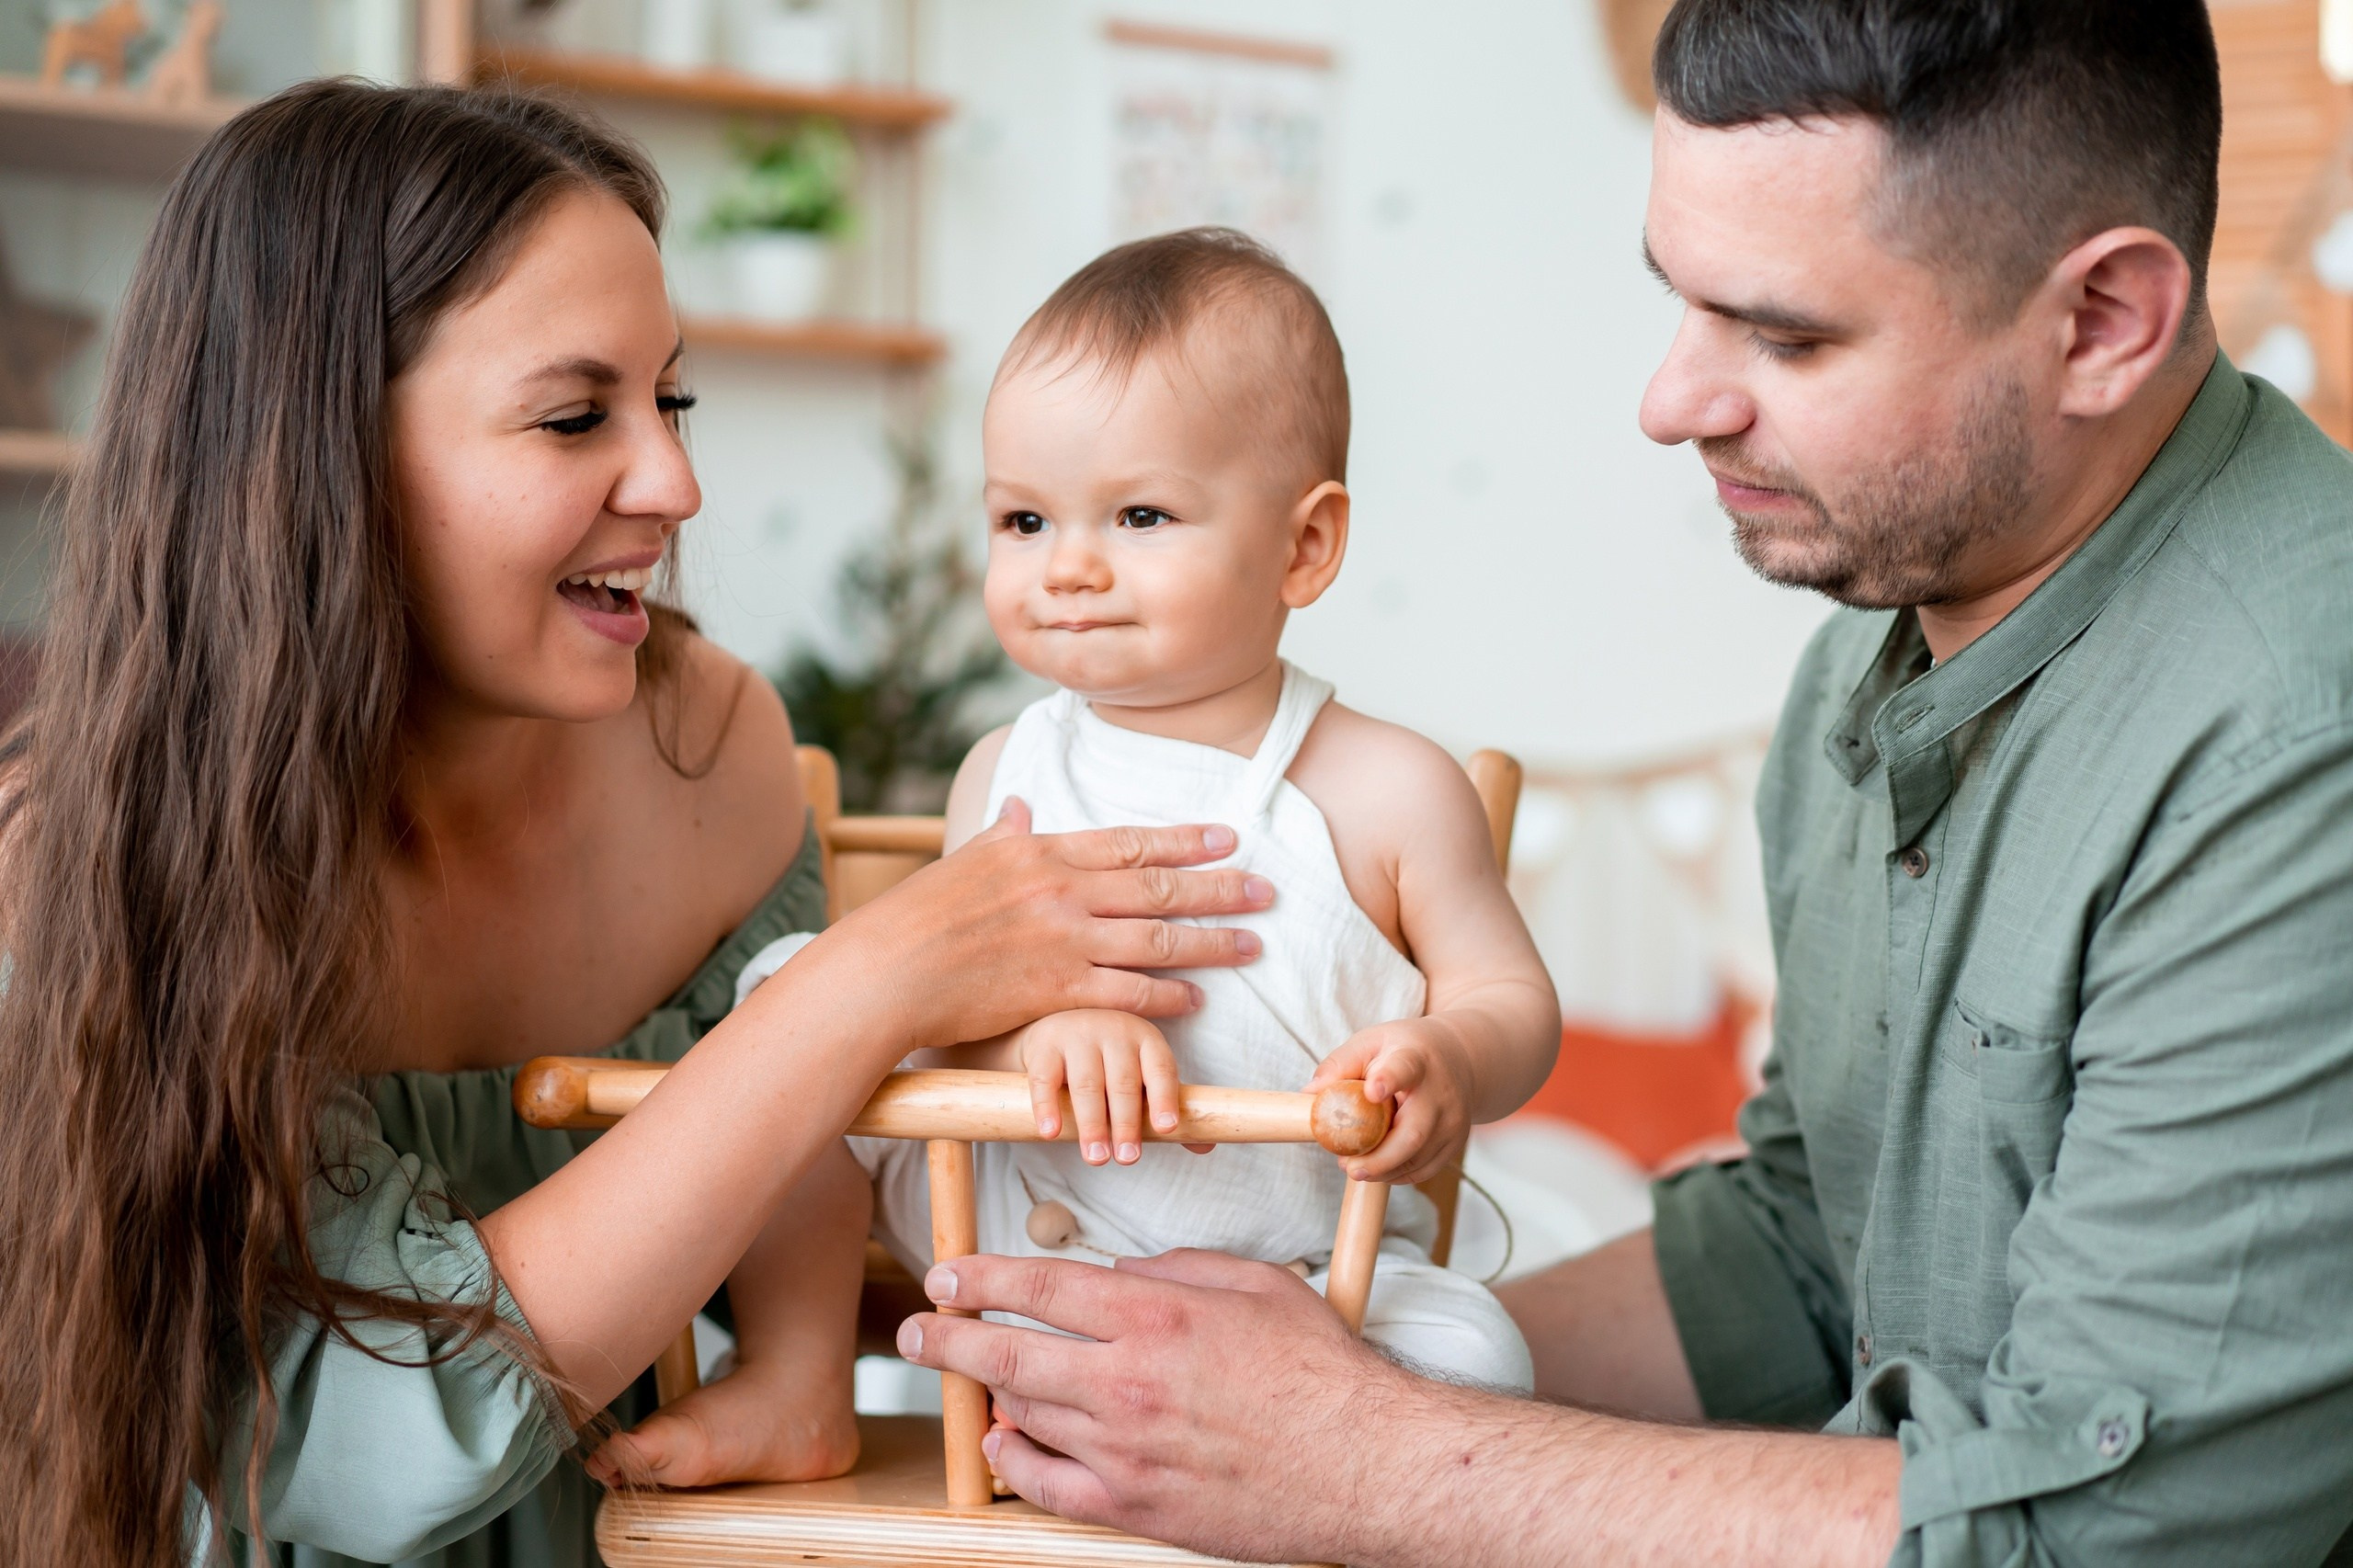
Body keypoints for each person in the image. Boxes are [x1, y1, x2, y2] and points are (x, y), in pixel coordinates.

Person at [890, 3, 2353, 1564]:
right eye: (1683, 306)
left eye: (1786, 334)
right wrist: (1280, 1351)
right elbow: (1808, 1249)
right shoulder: (1879, 667)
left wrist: (1364, 1450)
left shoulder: (2290, 741)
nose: (1672, 401)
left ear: (2104, 321)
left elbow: (2126, 1532)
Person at [0, 82, 1274, 1568]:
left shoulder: (708, 746)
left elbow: (790, 1241)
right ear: (317, 454)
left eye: (670, 399)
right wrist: (866, 986)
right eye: (572, 413)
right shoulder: (85, 858)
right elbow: (359, 1452)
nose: (674, 482)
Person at [598, 230, 1561, 1483]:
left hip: (1290, 1303)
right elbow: (932, 1005)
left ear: (1304, 546)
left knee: (1484, 1361)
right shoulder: (1005, 772)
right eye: (1024, 517)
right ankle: (794, 1375)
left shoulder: (1385, 785)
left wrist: (1448, 1053)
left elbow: (1514, 1002)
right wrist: (1026, 1039)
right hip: (1009, 1257)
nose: (1071, 564)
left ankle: (1261, 1467)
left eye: (1142, 513)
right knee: (795, 996)